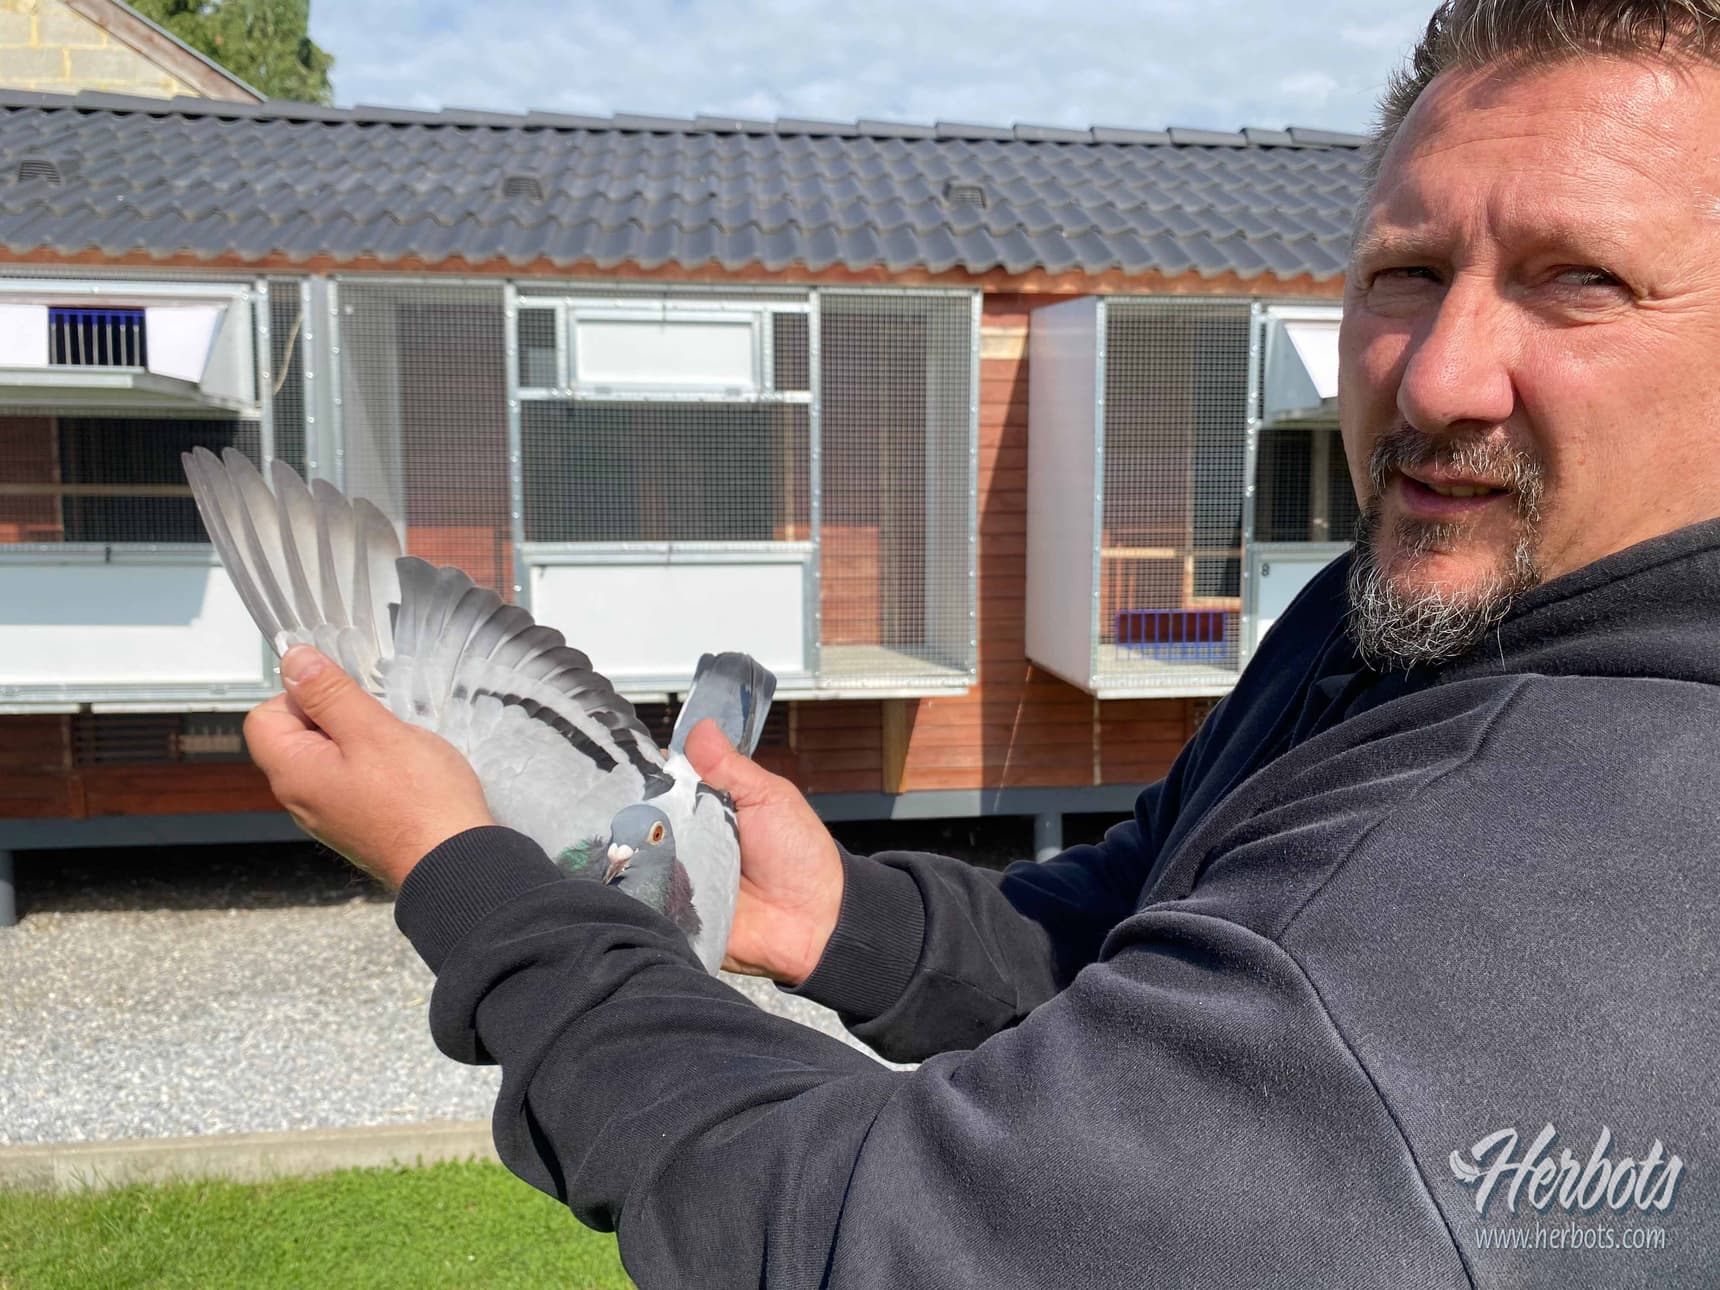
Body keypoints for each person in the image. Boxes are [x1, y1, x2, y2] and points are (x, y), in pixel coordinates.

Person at [244, 2, 1718, 1284]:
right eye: (1407, 269)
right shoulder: (1383, 605)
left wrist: (473, 879)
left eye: (1578, 280)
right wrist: (838, 917)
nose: (1441, 374)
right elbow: (1139, 900)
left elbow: (864, 1235)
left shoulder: (1561, 864)